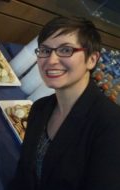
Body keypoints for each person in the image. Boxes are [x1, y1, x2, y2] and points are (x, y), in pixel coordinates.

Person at [9, 16, 120, 190]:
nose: (51, 60)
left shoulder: (111, 126)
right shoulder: (40, 108)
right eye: (45, 50)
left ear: (92, 59)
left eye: (66, 50)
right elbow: (24, 174)